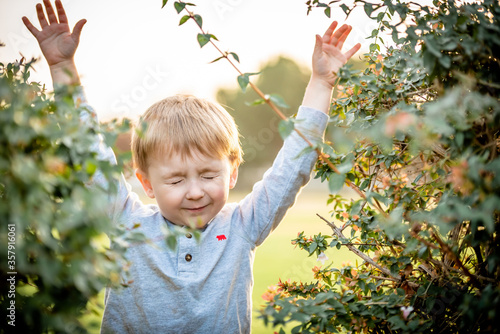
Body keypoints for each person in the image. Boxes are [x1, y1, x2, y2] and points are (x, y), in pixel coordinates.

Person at [23, 0, 361, 332]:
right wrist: (61, 68)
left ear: (232, 173)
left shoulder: (244, 226)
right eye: (176, 180)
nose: (195, 191)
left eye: (209, 174)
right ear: (147, 183)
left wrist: (321, 84)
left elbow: (293, 166)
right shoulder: (126, 223)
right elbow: (87, 154)